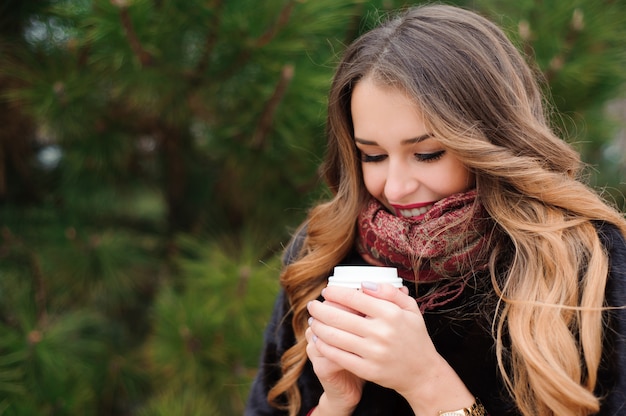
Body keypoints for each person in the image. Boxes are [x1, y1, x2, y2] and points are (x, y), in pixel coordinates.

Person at [245, 4, 626, 416]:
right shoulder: (324, 250)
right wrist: (337, 402)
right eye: (372, 156)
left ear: (492, 140)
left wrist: (427, 384)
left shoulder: (581, 260)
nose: (395, 187)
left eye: (426, 154)